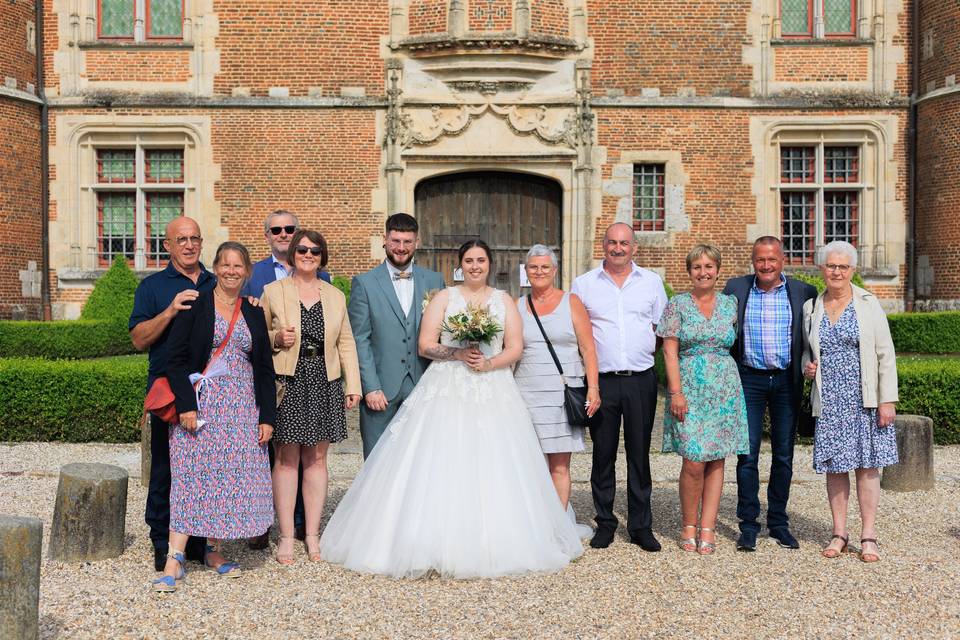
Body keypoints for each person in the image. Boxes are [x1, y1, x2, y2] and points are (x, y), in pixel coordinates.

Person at [320, 240, 582, 578]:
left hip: (493, 387)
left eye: (481, 260)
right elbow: (426, 344)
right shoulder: (445, 298)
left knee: (495, 462)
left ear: (490, 264)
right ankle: (429, 540)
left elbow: (515, 347)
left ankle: (499, 541)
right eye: (469, 261)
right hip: (447, 384)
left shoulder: (504, 301)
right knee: (441, 459)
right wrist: (457, 353)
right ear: (460, 266)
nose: (475, 266)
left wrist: (490, 364)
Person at [153, 242, 276, 592]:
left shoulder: (253, 311)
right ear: (216, 268)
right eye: (225, 265)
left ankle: (212, 550)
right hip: (202, 408)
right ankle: (174, 559)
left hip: (241, 410)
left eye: (239, 266)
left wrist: (266, 417)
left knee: (226, 481)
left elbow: (264, 369)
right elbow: (174, 361)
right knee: (191, 477)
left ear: (247, 271)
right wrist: (186, 405)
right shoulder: (196, 305)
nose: (232, 271)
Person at [260, 229, 361, 565]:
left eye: (314, 251)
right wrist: (277, 337)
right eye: (301, 249)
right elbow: (258, 340)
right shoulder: (272, 292)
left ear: (322, 256)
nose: (307, 255)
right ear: (292, 253)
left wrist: (353, 385)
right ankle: (287, 536)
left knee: (317, 460)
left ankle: (313, 535)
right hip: (288, 379)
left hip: (324, 380)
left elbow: (345, 342)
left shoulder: (335, 295)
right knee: (287, 459)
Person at [571, 222, 667, 551]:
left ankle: (641, 526)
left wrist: (641, 353)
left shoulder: (652, 282)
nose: (618, 248)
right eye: (612, 242)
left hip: (640, 378)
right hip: (602, 382)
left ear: (634, 248)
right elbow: (577, 335)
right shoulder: (583, 285)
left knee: (639, 454)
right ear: (604, 245)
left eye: (624, 243)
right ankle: (606, 523)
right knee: (603, 454)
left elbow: (660, 328)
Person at [802, 240, 898, 563]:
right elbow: (808, 350)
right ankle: (839, 533)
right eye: (831, 266)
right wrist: (808, 366)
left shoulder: (869, 304)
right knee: (836, 467)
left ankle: (868, 535)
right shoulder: (811, 308)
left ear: (853, 270)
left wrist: (888, 400)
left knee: (868, 467)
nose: (837, 272)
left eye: (843, 267)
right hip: (830, 400)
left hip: (864, 397)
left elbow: (886, 353)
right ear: (822, 269)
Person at [130, 216, 215, 571]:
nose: (189, 245)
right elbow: (138, 340)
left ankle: (198, 541)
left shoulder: (217, 282)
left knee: (206, 467)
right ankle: (161, 539)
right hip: (168, 389)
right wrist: (169, 311)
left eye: (195, 238)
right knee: (166, 468)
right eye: (181, 239)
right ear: (167, 245)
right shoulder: (153, 287)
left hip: (211, 390)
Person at [723, 236, 817, 551]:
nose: (766, 265)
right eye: (760, 260)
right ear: (753, 261)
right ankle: (748, 525)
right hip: (748, 379)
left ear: (782, 260)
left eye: (771, 260)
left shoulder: (803, 292)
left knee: (784, 455)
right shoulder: (735, 289)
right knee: (746, 455)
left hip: (786, 381)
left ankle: (778, 522)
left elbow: (814, 336)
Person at [657, 244, 749, 554]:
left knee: (717, 459)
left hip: (724, 389)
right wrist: (676, 392)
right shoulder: (677, 305)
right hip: (690, 390)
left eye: (709, 266)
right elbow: (669, 350)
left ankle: (707, 527)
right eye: (697, 267)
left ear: (718, 270)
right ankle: (688, 524)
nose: (703, 272)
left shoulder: (730, 305)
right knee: (694, 461)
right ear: (689, 272)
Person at [243, 209, 326, 549]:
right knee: (271, 455)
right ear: (267, 235)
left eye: (289, 228)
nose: (283, 233)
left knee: (312, 455)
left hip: (317, 376)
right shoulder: (255, 275)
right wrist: (276, 338)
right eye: (276, 229)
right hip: (274, 374)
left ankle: (304, 525)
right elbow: (249, 323)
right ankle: (264, 523)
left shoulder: (325, 279)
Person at [348, 213, 445, 458]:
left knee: (421, 457)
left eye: (407, 242)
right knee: (377, 459)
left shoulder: (434, 281)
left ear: (417, 242)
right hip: (381, 390)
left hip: (423, 385)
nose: (401, 248)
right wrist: (370, 387)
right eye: (396, 241)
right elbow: (360, 339)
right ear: (385, 240)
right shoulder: (365, 283)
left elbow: (444, 333)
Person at [515, 244, 600, 511]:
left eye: (544, 267)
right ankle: (535, 525)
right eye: (533, 267)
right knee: (531, 464)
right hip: (526, 392)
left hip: (563, 394)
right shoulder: (517, 306)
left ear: (554, 270)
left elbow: (588, 348)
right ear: (526, 271)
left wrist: (593, 388)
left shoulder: (571, 302)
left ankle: (558, 524)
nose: (539, 272)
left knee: (559, 465)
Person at [243, 209, 330, 298]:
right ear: (267, 237)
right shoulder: (251, 274)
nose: (283, 235)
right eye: (276, 230)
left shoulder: (322, 276)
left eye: (289, 229)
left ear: (297, 234)